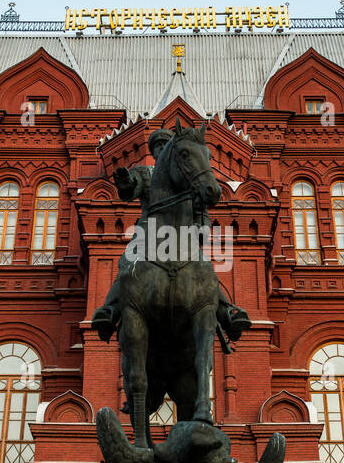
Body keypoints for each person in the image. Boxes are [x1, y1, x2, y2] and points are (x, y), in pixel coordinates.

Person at [91, 126, 252, 342]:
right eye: (157, 145)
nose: (160, 148)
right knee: (129, 262)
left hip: (183, 236)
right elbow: (131, 189)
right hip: (150, 233)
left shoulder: (186, 178)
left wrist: (202, 227)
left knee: (204, 268)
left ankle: (226, 311)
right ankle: (110, 309)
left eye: (164, 144)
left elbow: (201, 212)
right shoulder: (145, 173)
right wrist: (126, 182)